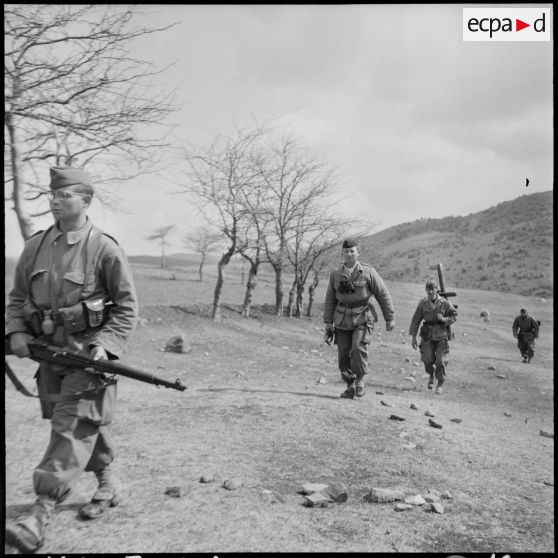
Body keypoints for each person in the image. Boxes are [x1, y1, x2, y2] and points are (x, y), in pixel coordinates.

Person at [5, 167, 139, 553]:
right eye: (53, 196)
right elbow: (17, 298)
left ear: (85, 200)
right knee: (79, 423)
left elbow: (127, 307)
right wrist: (16, 330)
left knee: (70, 425)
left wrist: (108, 345)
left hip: (88, 359)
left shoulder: (105, 249)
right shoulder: (35, 246)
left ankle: (40, 512)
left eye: (64, 196)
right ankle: (109, 478)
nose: (54, 201)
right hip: (48, 356)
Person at [323, 238, 395, 399]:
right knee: (343, 355)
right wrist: (328, 322)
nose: (349, 254)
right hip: (341, 319)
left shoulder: (368, 272)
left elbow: (383, 294)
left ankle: (360, 381)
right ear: (342, 253)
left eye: (352, 251)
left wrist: (389, 318)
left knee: (357, 348)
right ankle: (350, 386)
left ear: (357, 252)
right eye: (346, 251)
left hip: (363, 317)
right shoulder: (335, 274)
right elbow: (330, 299)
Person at [408, 278, 457, 394]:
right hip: (427, 336)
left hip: (441, 335)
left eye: (432, 289)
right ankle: (431, 375)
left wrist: (444, 319)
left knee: (440, 360)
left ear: (436, 290)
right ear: (426, 290)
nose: (430, 292)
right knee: (427, 360)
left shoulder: (444, 303)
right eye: (428, 289)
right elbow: (416, 320)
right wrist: (413, 337)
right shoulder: (423, 303)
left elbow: (454, 316)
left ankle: (440, 383)